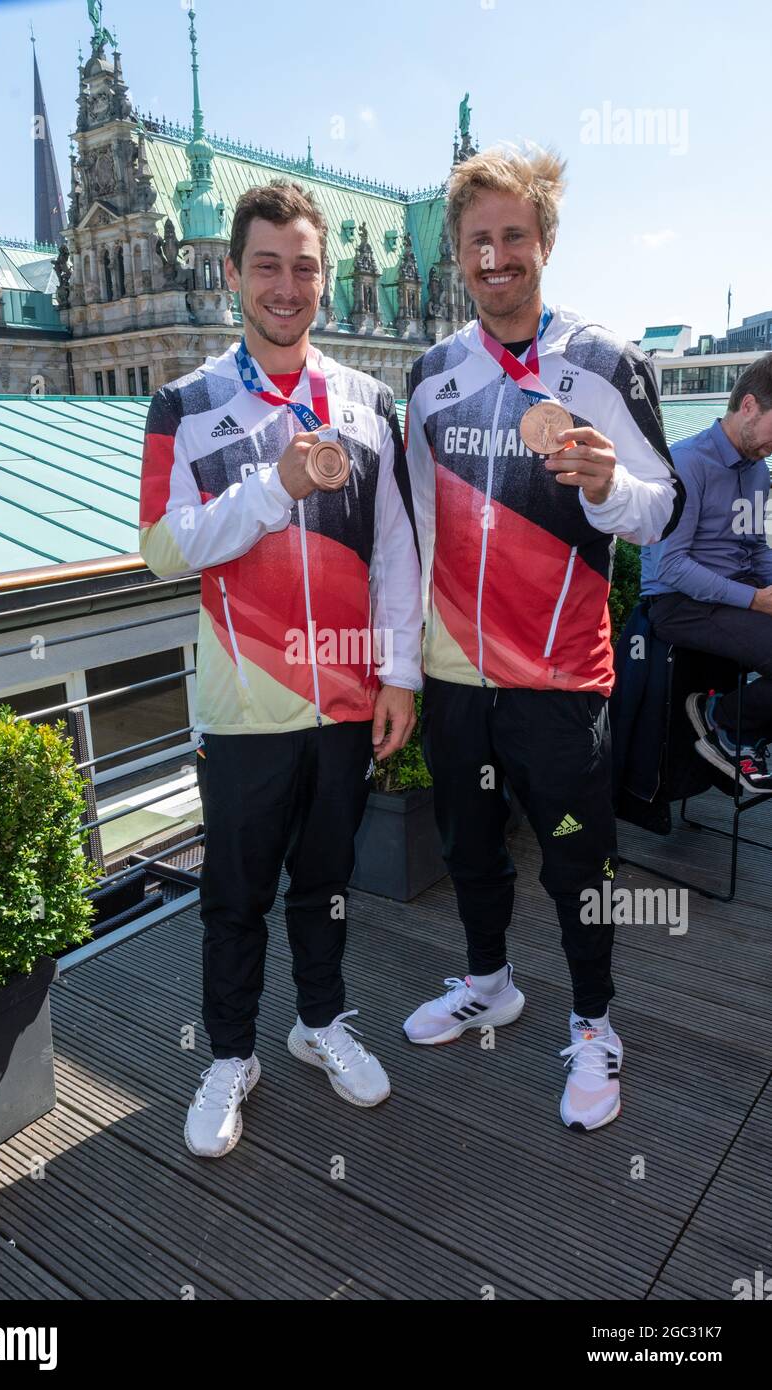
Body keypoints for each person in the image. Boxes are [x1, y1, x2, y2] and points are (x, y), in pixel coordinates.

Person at [402, 144, 684, 1131]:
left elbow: (663, 511)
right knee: (466, 845)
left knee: (576, 862)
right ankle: (489, 980)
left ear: (545, 242)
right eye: (476, 240)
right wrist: (402, 664)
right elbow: (414, 533)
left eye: (511, 236)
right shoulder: (432, 374)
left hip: (560, 679)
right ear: (457, 256)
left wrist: (608, 486)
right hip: (453, 673)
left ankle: (594, 1023)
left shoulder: (605, 362)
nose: (494, 256)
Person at [139, 180, 422, 1158]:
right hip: (243, 703)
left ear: (322, 279)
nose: (287, 284)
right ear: (232, 274)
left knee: (327, 876)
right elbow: (162, 550)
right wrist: (274, 486)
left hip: (345, 698)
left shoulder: (367, 400)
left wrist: (400, 676)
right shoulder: (182, 403)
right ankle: (228, 1057)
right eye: (267, 264)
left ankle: (319, 1023)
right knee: (234, 894)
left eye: (304, 266)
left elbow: (394, 551)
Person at [642, 354, 772, 792]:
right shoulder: (685, 462)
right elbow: (670, 566)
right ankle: (726, 721)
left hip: (733, 598)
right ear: (749, 406)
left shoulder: (759, 472)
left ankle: (741, 730)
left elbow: (757, 549)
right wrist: (755, 600)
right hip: (679, 604)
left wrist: (769, 589)